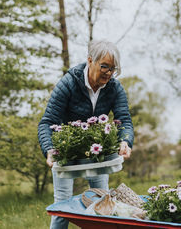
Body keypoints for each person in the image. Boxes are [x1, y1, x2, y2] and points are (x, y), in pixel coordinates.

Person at [38, 40, 134, 229]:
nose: (108, 73)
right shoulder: (68, 83)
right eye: (104, 66)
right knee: (62, 208)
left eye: (113, 69)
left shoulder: (114, 87)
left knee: (103, 205)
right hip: (67, 153)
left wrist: (125, 141)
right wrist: (49, 149)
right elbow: (48, 122)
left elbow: (124, 120)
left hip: (98, 154)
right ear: (90, 61)